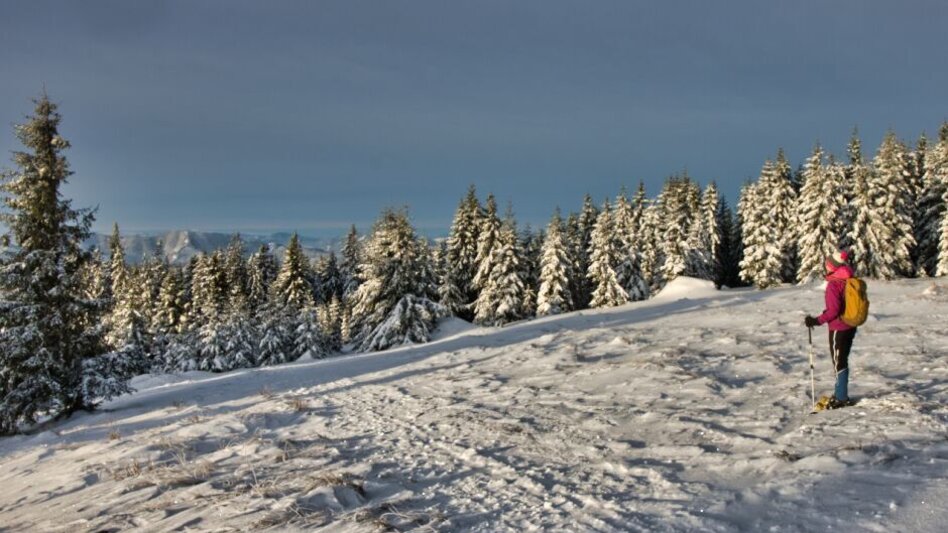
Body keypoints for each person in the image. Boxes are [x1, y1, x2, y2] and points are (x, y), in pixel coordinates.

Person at [804, 250, 857, 409]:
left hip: (839, 328)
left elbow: (834, 311)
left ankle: (841, 397)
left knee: (839, 361)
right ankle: (841, 393)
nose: (826, 267)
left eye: (827, 265)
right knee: (842, 359)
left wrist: (816, 320)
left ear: (832, 267)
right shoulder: (849, 279)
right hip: (850, 325)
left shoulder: (835, 284)